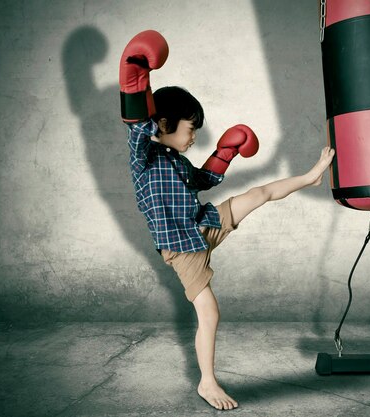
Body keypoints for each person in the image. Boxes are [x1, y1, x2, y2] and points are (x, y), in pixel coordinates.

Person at [120, 30, 335, 411]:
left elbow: (203, 179)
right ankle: (207, 381)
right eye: (190, 131)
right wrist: (136, 74)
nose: (192, 139)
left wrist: (226, 152)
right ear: (165, 124)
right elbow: (139, 125)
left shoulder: (178, 162)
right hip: (182, 248)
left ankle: (310, 176)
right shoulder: (144, 158)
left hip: (203, 222)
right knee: (210, 311)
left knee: (257, 195)